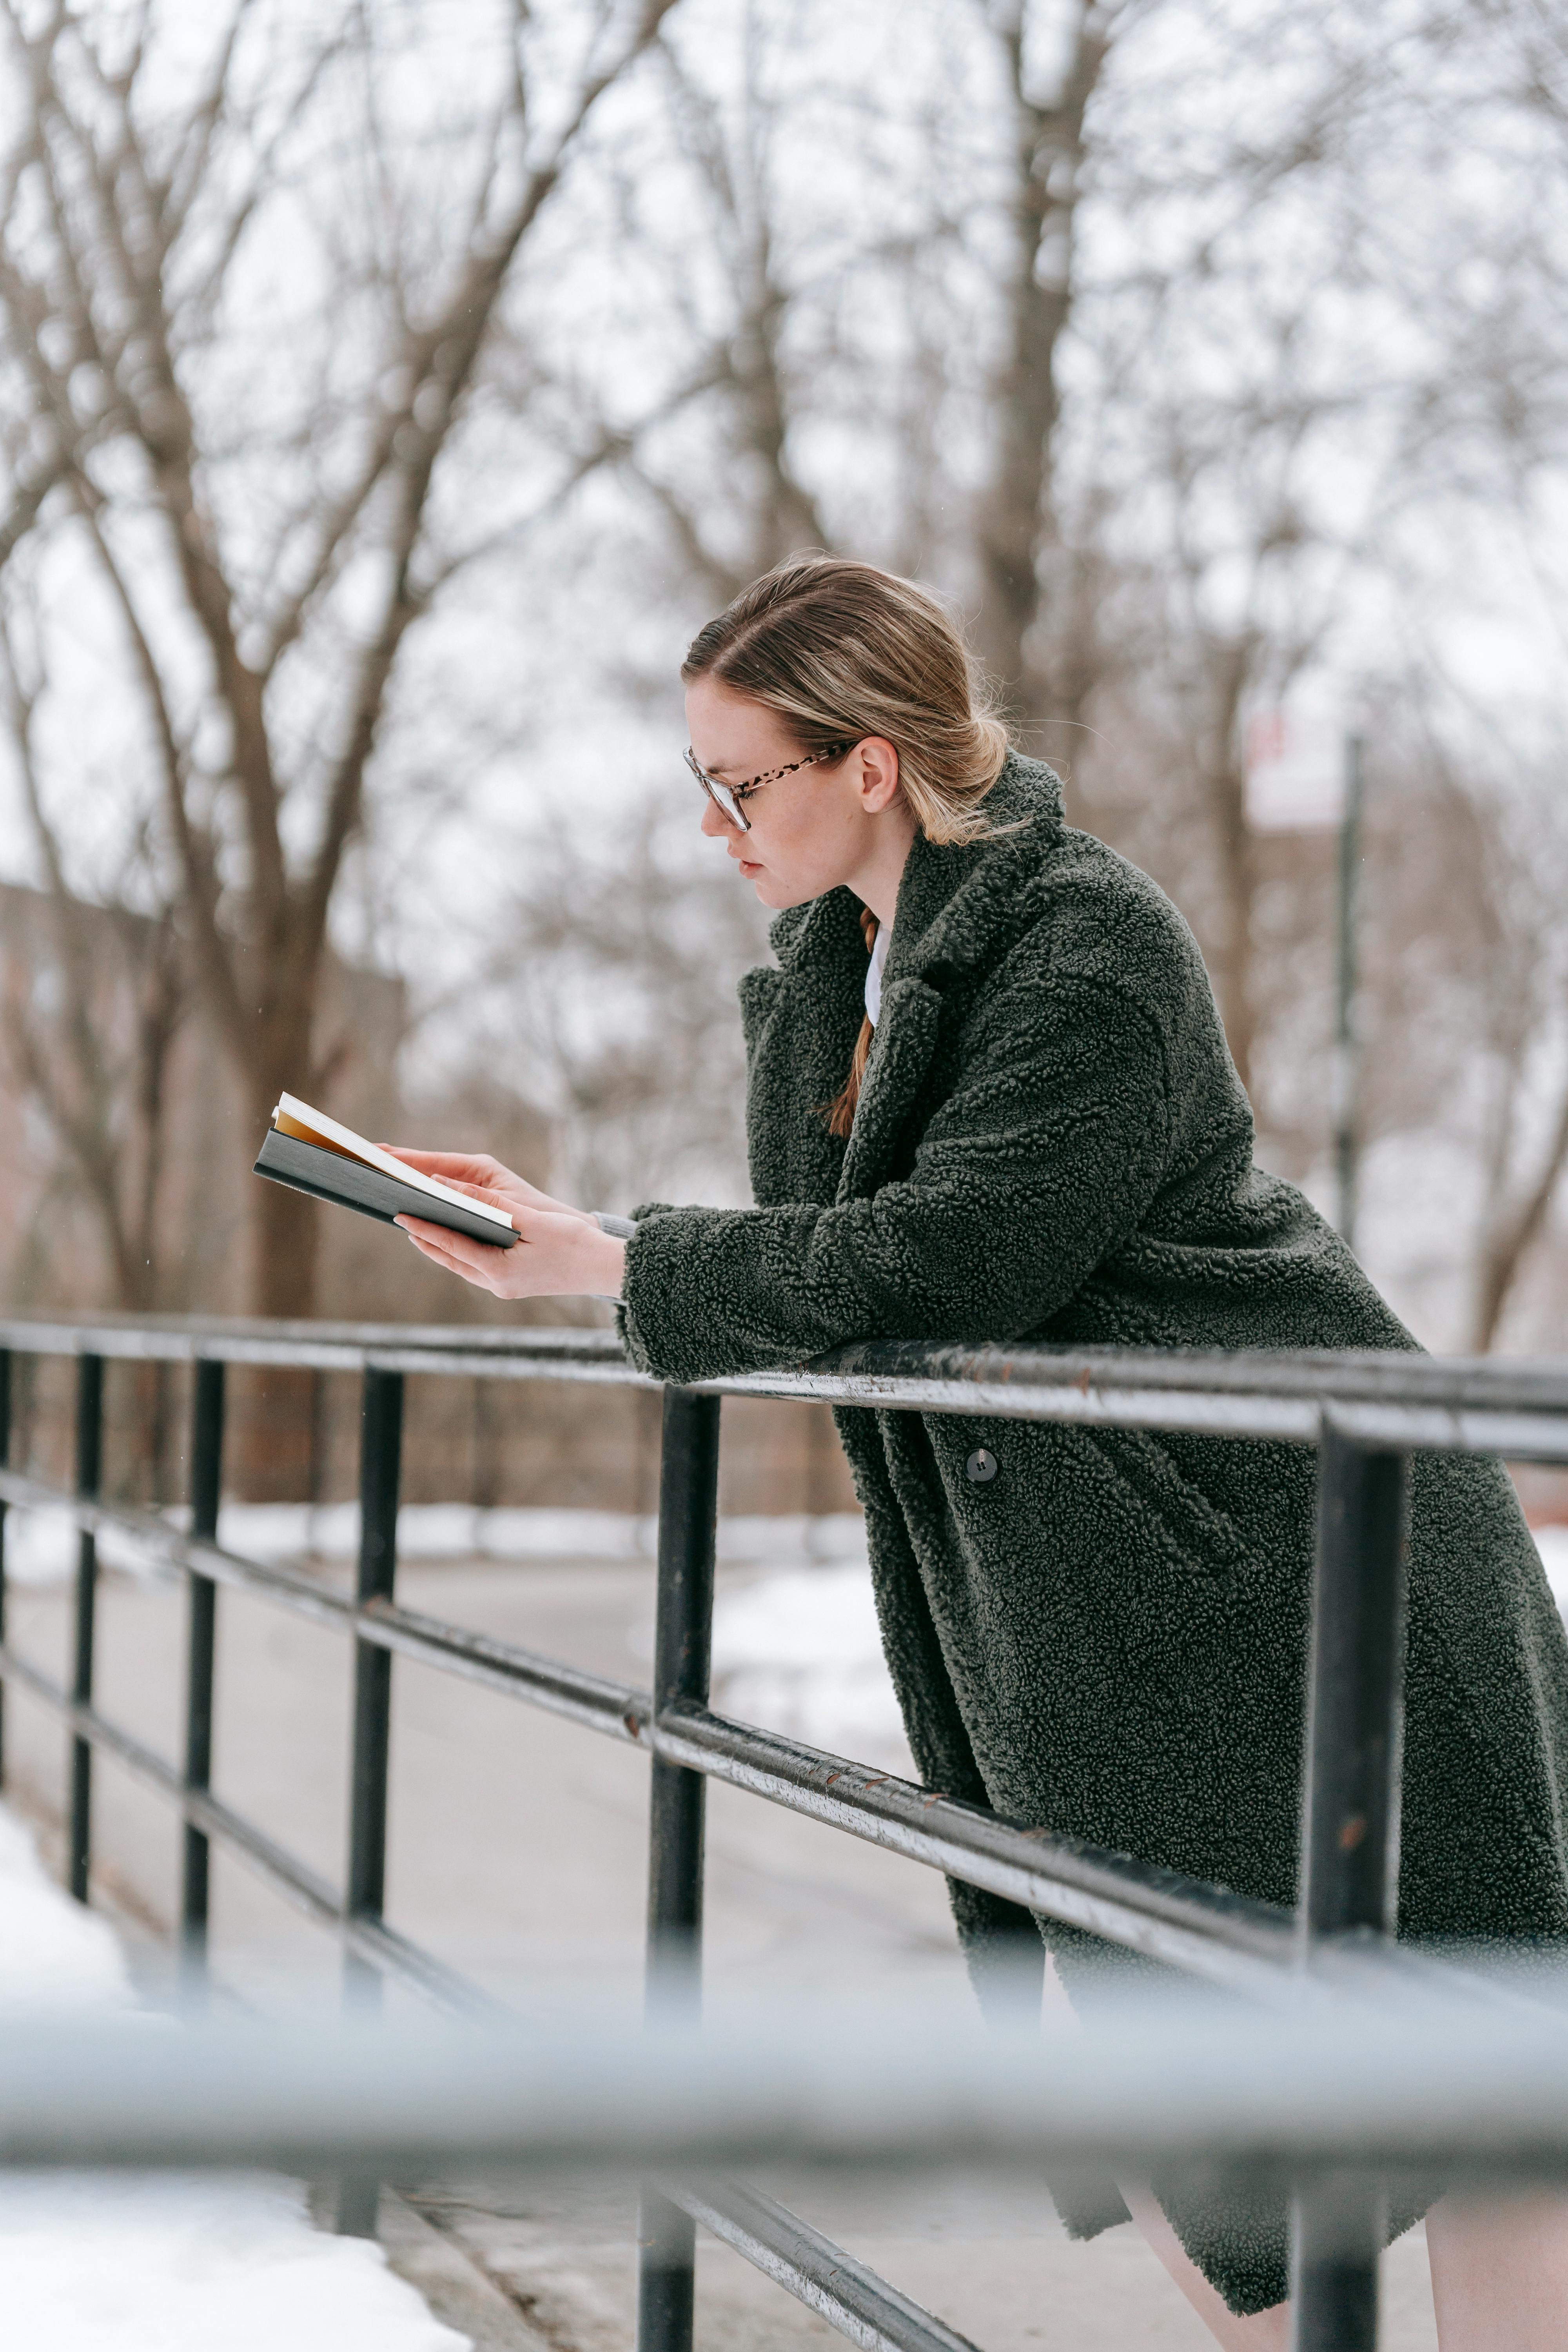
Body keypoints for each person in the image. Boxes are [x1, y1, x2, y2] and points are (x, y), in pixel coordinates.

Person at [391, 554, 1568, 2347]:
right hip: (1107, 1607)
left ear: (867, 763)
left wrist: (616, 1266)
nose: (712, 824)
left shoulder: (1089, 935)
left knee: (1480, 2084)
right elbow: (842, 1275)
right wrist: (576, 1240)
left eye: (739, 780)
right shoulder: (827, 973)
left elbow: (955, 1256)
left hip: (1316, 1551)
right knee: (1173, 2091)